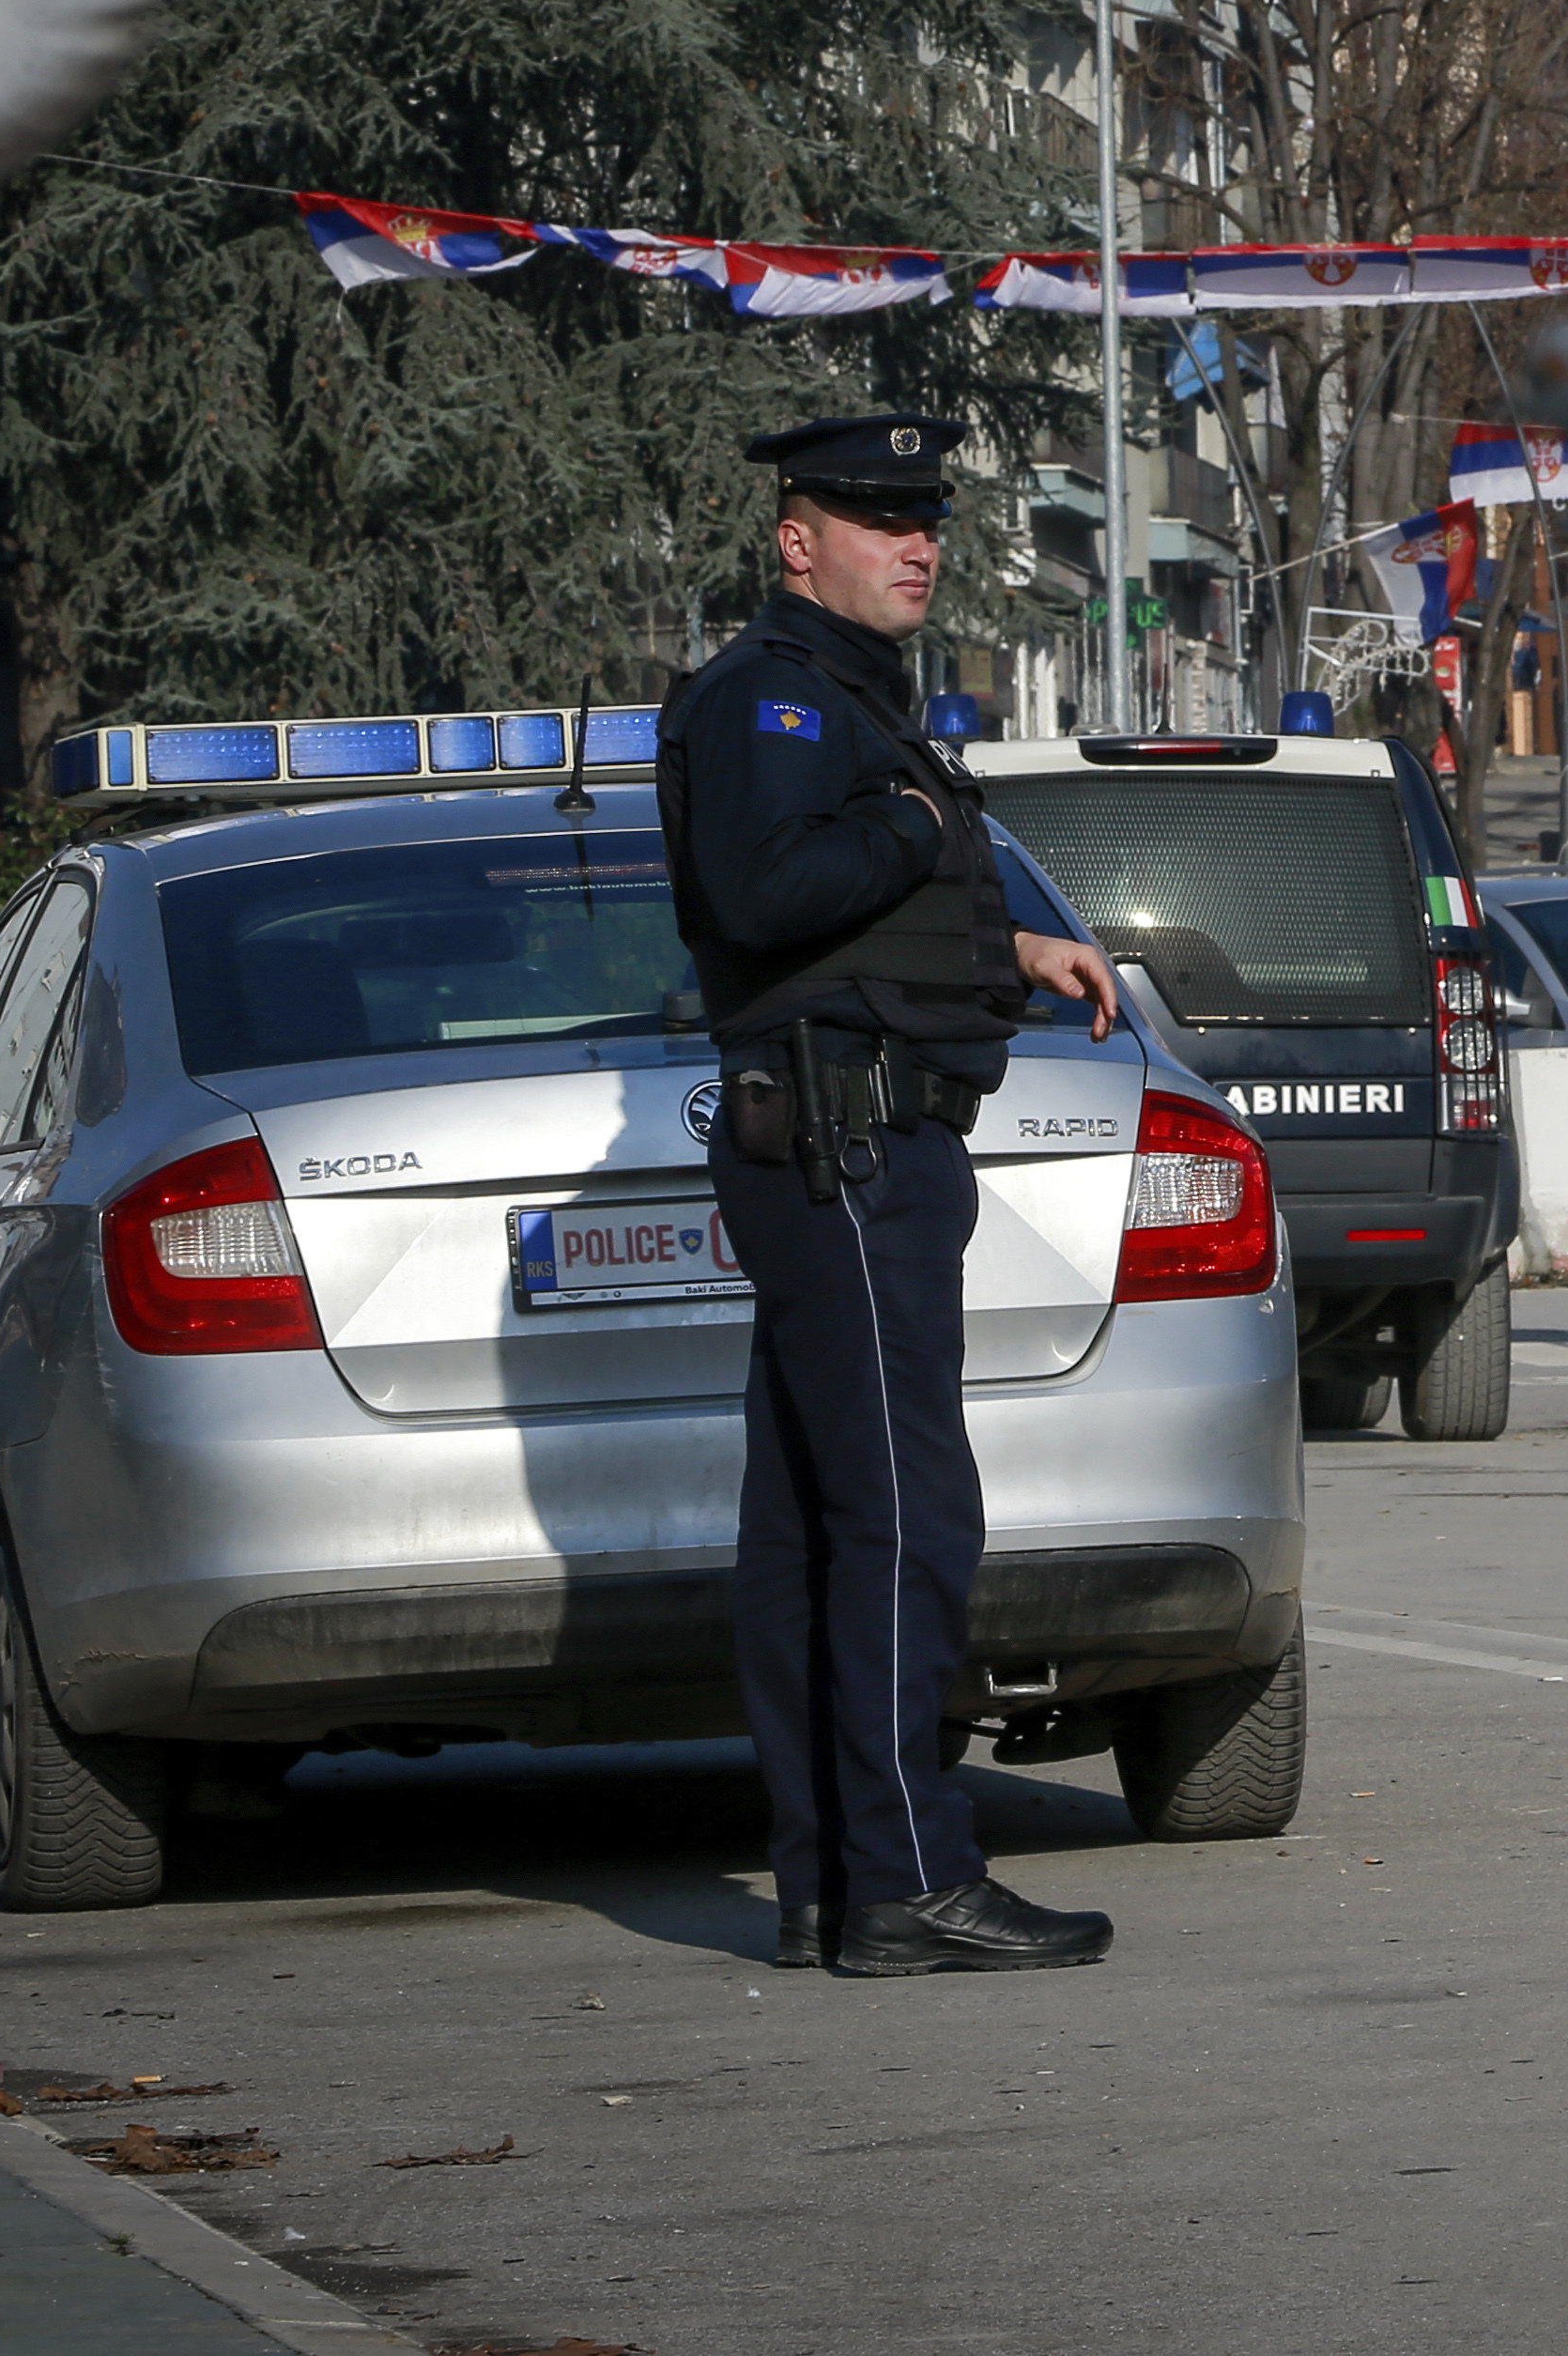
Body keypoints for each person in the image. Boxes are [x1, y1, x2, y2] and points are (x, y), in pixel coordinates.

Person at [660, 415, 1127, 1979]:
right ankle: (914, 1872)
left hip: (859, 1142)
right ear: (796, 538)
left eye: (923, 516)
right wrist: (914, 821)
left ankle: (831, 1883)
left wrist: (1007, 952)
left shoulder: (853, 695)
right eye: (874, 517)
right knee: (905, 1514)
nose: (913, 541)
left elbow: (844, 922)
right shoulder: (777, 697)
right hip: (846, 1149)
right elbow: (765, 892)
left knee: (812, 1522)